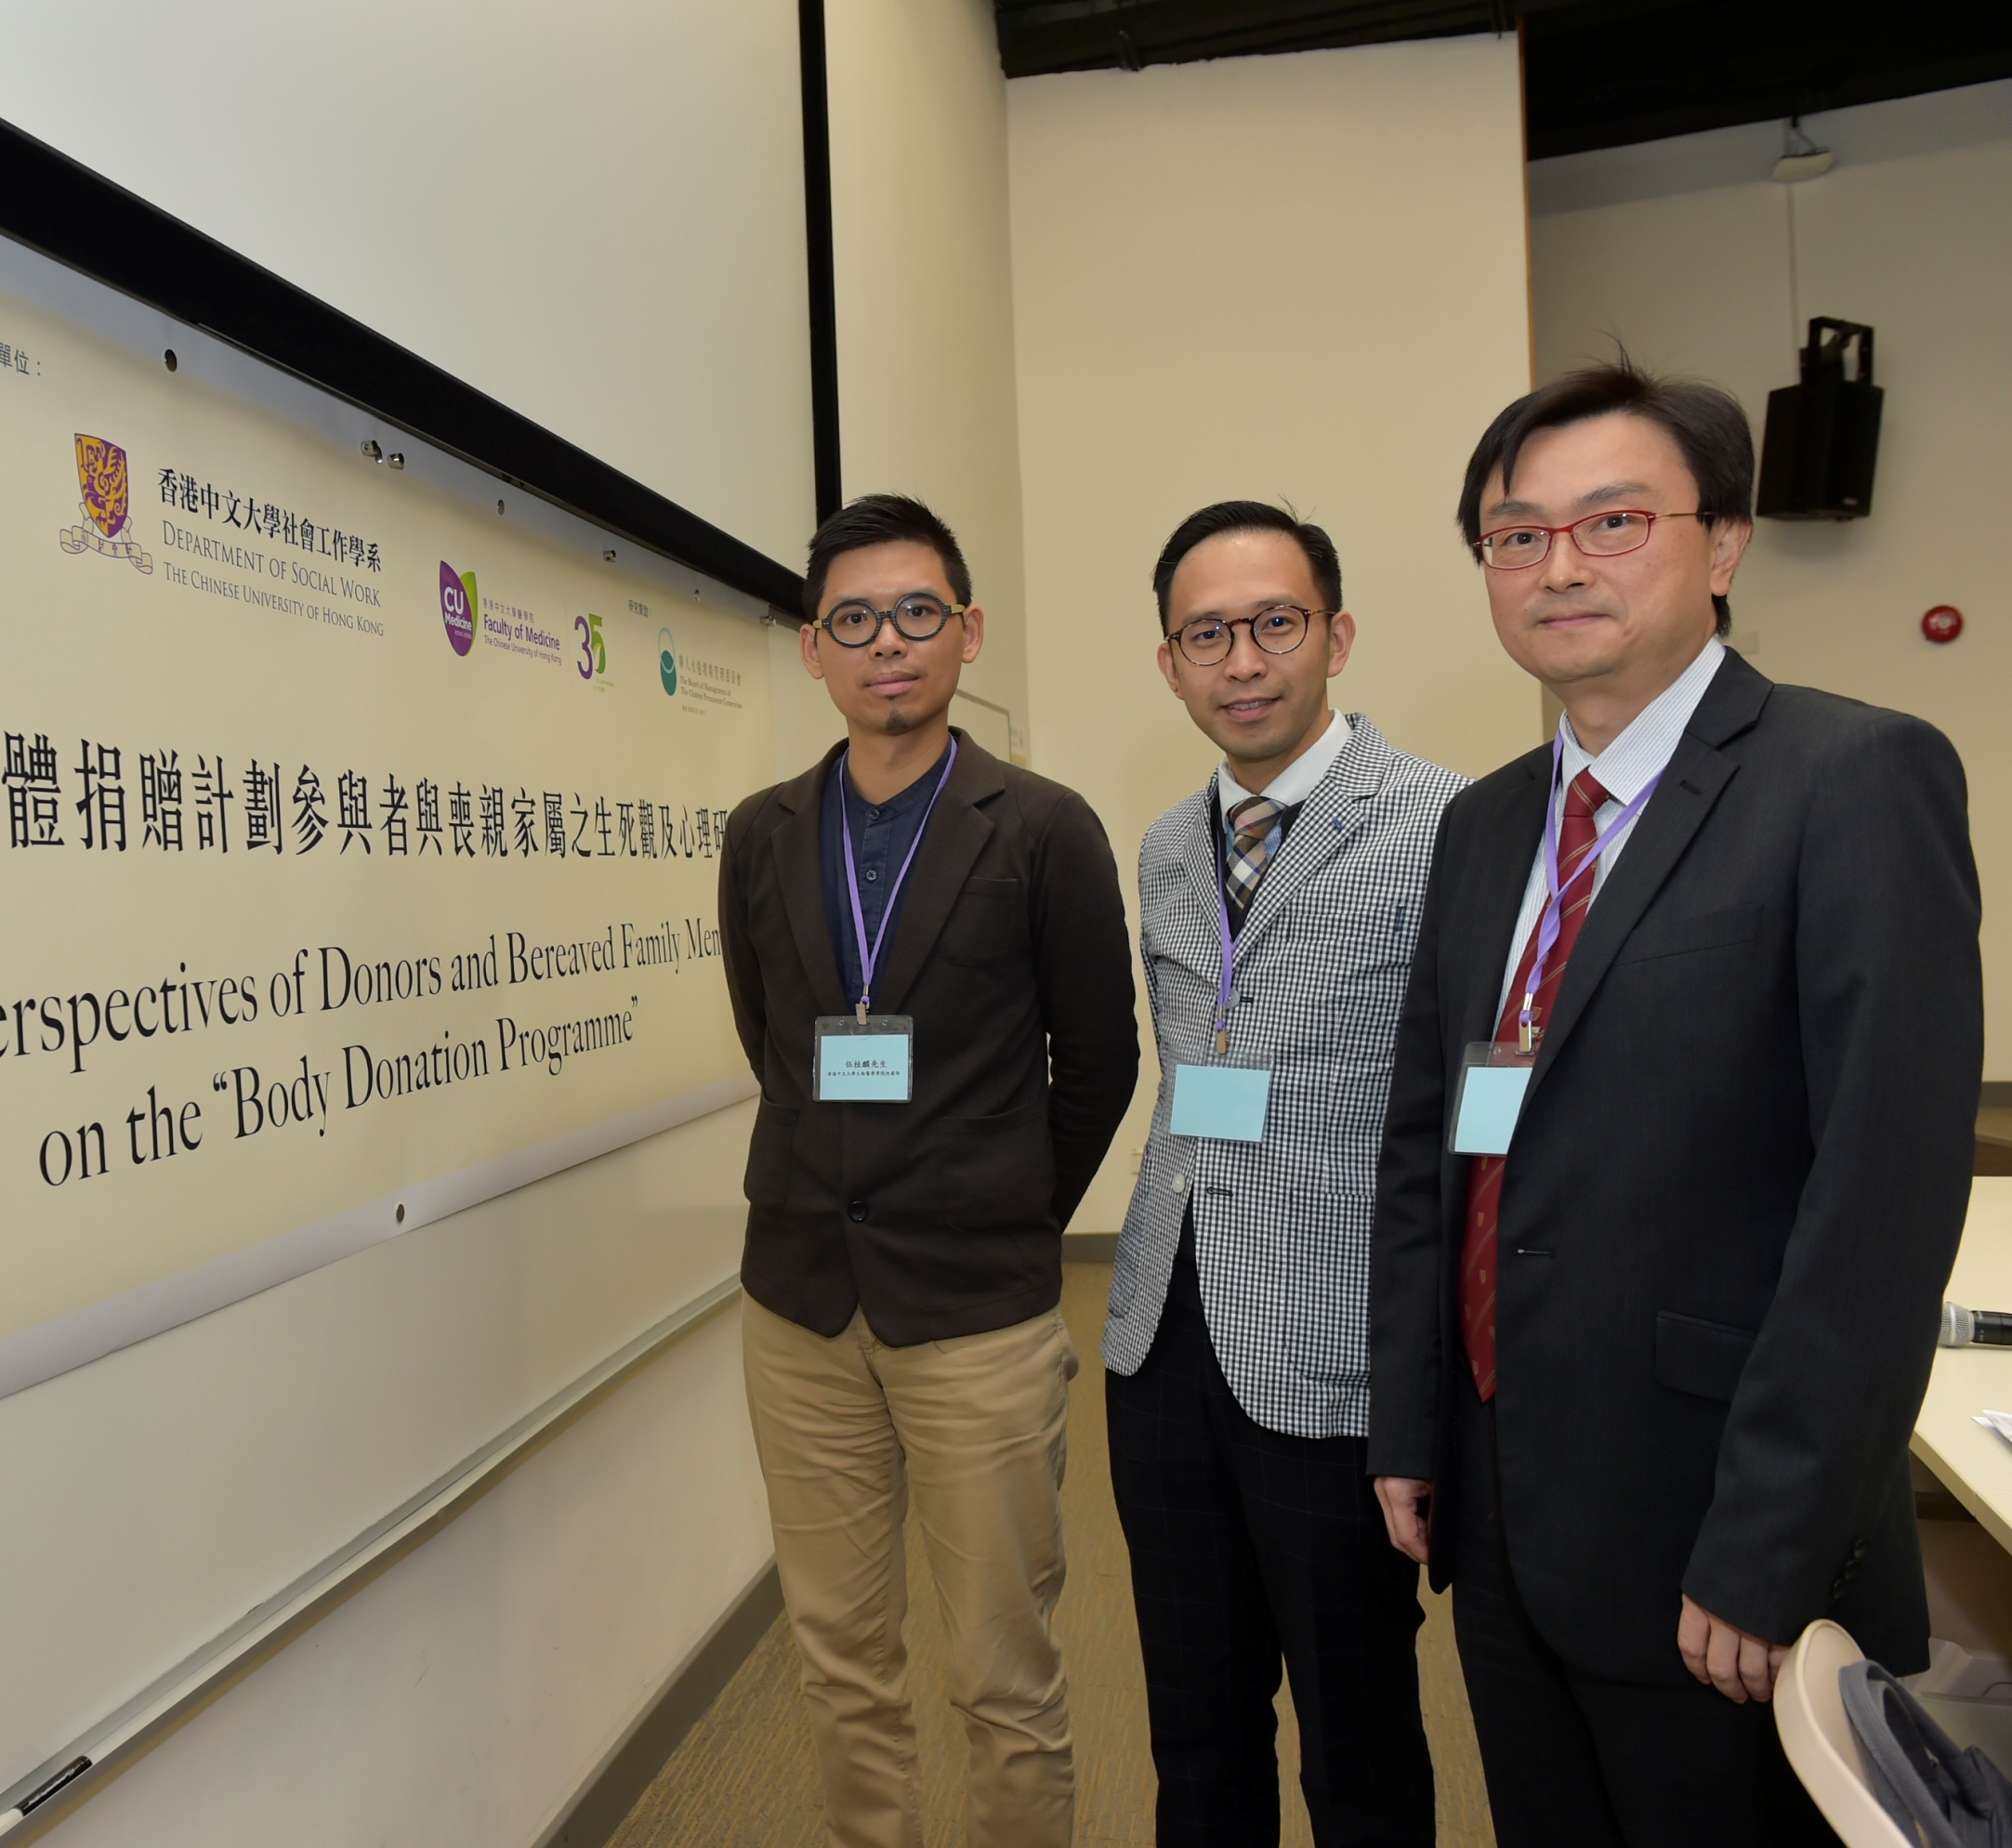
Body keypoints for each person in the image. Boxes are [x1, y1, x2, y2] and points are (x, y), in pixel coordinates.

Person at [1367, 361, 1981, 1846]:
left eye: (1612, 519)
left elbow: (1877, 1213)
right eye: (1514, 535)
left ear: (1721, 545)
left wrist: (1768, 1545)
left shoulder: (1849, 776)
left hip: (1716, 1532)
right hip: (1503, 1502)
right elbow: (1426, 1147)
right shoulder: (1486, 821)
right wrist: (1411, 1424)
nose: (1557, 564)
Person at [718, 492, 1138, 1848]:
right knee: (840, 1661)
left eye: (914, 614)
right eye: (853, 619)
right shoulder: (764, 831)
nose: (884, 643)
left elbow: (1100, 1060)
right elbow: (772, 1038)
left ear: (965, 632)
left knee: (1000, 1673)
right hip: (796, 1303)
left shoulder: (1041, 826)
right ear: (811, 648)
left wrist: (1004, 1209)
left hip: (976, 1312)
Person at [1107, 502, 1462, 1846]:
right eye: (1207, 634)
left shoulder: (1440, 821)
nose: (1242, 660)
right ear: (1169, 662)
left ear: (1336, 634)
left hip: (1330, 1353)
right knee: (1193, 1728)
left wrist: (1424, 1394)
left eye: (1273, 624)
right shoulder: (1157, 846)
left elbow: (1462, 1116)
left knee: (1358, 1738)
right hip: (1157, 1340)